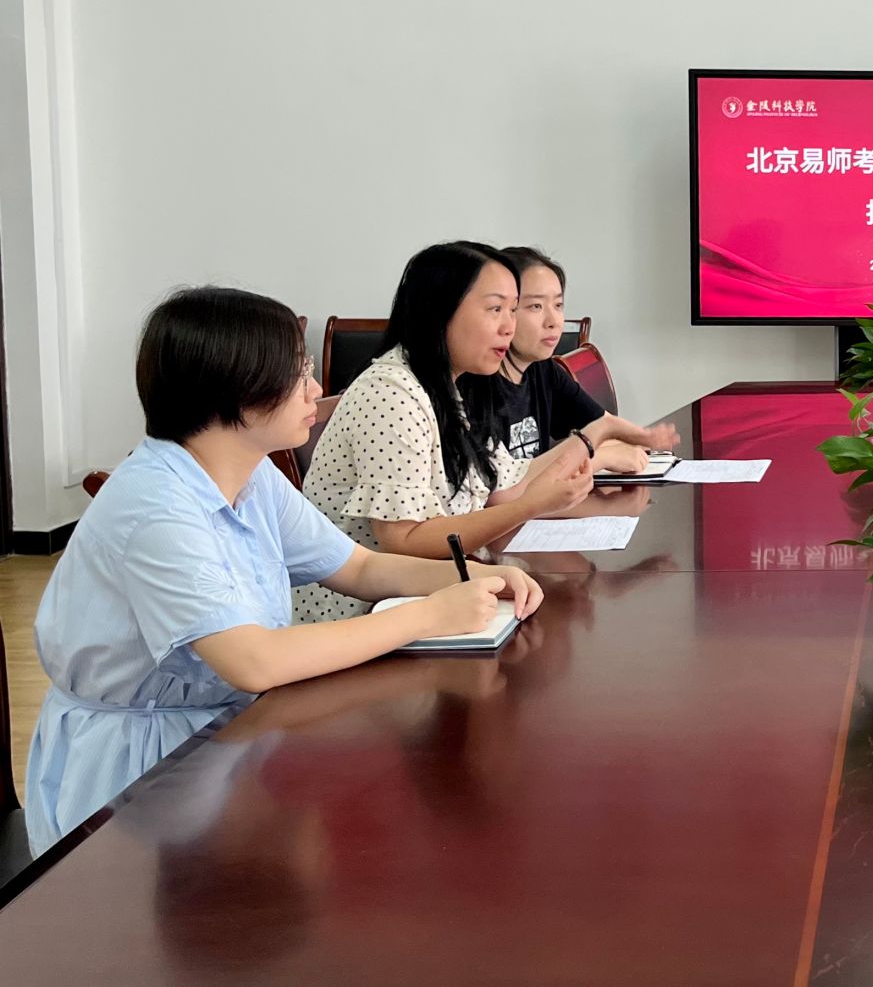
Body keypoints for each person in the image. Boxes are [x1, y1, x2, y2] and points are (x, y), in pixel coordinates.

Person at [24, 287, 544, 854]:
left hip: (223, 738)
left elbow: (360, 566)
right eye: (298, 374)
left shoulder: (251, 474)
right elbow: (253, 661)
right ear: (235, 390)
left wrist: (471, 578)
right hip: (140, 776)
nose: (316, 391)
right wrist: (427, 616)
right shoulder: (155, 504)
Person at [295, 242, 594, 621]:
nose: (509, 326)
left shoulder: (451, 386)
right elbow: (403, 541)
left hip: (430, 598)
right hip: (362, 619)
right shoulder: (390, 394)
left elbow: (507, 481)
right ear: (440, 311)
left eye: (513, 309)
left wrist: (584, 448)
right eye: (495, 309)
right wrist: (532, 505)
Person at [484, 246, 680, 469]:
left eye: (558, 305)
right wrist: (601, 458)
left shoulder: (543, 369)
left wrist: (645, 438)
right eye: (536, 306)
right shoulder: (476, 387)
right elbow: (507, 482)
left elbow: (599, 423)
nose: (554, 321)